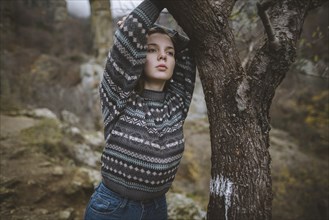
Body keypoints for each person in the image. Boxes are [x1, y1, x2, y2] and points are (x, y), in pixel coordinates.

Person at [84, 0, 196, 219]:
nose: (163, 56)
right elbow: (126, 45)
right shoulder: (118, 96)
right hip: (114, 208)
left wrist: (161, 33)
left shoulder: (177, 102)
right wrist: (136, 29)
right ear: (139, 56)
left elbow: (190, 50)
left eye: (170, 53)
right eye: (151, 50)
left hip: (156, 208)